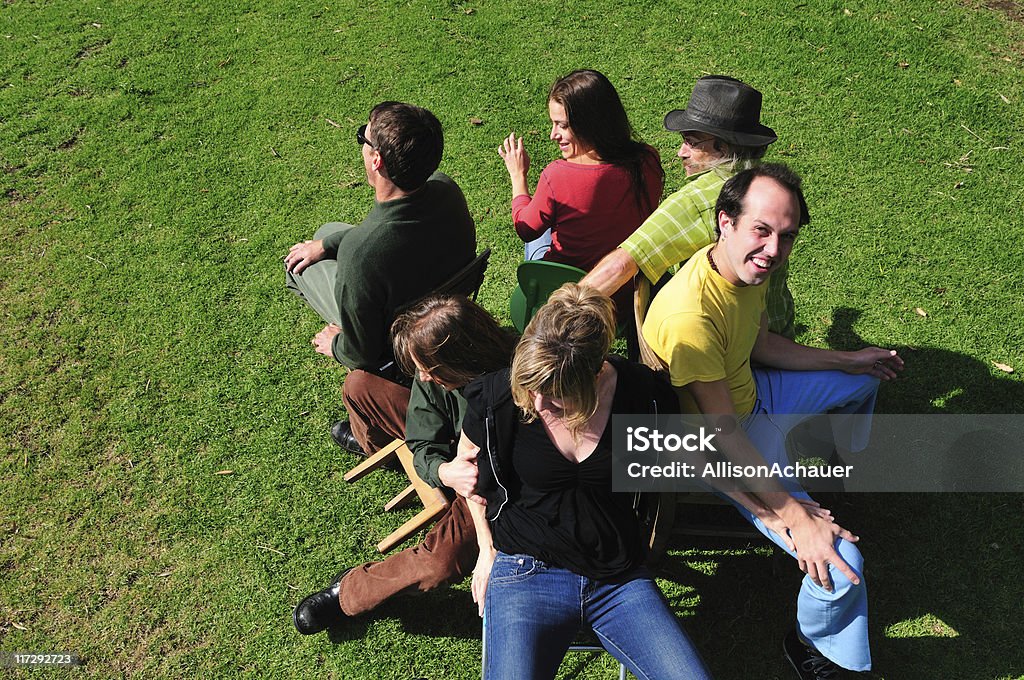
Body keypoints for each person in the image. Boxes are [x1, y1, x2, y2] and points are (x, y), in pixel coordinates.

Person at [642, 164, 904, 679]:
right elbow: (722, 435)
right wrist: (794, 515)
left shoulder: (743, 269)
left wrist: (847, 360)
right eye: (762, 230)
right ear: (726, 222)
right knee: (839, 563)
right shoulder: (689, 318)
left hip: (755, 393)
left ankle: (834, 471)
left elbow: (761, 345)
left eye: (785, 236)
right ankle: (814, 647)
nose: (773, 249)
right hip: (720, 446)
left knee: (868, 379)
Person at [461, 284, 711, 680]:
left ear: (594, 376)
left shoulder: (644, 396)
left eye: (557, 396)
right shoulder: (500, 395)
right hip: (527, 568)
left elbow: (696, 460)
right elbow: (470, 474)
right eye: (533, 389)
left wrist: (785, 509)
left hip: (619, 579)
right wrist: (485, 549)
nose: (539, 404)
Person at [292, 295, 517, 635]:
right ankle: (375, 446)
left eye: (429, 369)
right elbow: (424, 442)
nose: (423, 378)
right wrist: (443, 470)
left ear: (460, 357)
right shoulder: (438, 377)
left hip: (486, 486)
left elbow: (494, 482)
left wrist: (483, 537)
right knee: (359, 386)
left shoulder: (523, 377)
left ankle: (349, 593)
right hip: (457, 463)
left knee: (440, 562)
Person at [283, 101, 476, 455]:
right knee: (329, 231)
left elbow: (363, 354)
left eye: (363, 137)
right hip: (444, 297)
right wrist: (326, 244)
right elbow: (372, 237)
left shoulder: (363, 254)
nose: (361, 144)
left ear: (377, 161)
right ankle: (326, 245)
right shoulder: (446, 188)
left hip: (398, 337)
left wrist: (337, 346)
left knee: (298, 268)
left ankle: (371, 440)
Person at [579, 75, 797, 339]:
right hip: (780, 334)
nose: (681, 152)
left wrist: (554, 314)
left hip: (728, 348)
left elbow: (621, 266)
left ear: (721, 147)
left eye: (691, 142)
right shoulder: (773, 189)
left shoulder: (700, 200)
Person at [499, 69, 663, 297]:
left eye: (562, 125)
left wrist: (518, 176)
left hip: (569, 297)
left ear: (591, 124)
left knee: (539, 225)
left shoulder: (557, 176)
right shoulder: (649, 159)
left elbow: (526, 229)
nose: (553, 135)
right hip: (629, 293)